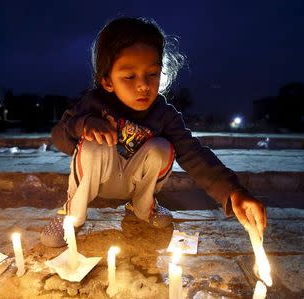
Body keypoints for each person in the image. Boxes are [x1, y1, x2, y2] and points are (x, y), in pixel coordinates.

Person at [41, 17, 267, 247]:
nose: (144, 85)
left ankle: (142, 207)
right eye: (130, 76)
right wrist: (83, 124)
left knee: (163, 147)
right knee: (93, 142)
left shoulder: (164, 115)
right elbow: (60, 135)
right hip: (99, 179)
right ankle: (71, 216)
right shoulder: (93, 104)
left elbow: (194, 154)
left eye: (152, 74)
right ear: (108, 81)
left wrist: (233, 191)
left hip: (133, 182)